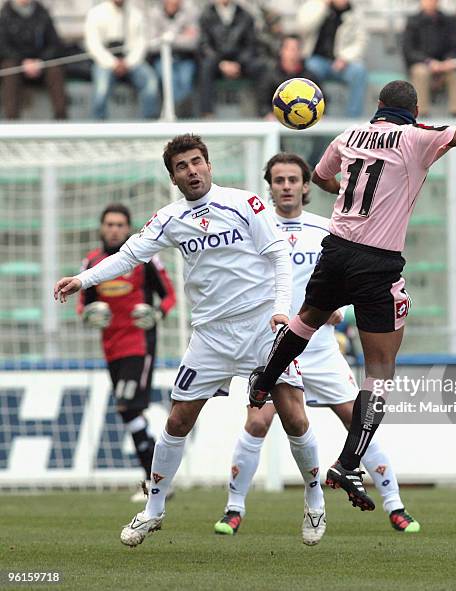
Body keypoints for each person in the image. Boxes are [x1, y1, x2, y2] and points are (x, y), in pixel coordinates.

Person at [247, 79, 456, 511]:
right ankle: (349, 461)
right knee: (380, 370)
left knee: (307, 317)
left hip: (335, 249)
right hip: (377, 262)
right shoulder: (416, 138)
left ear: (378, 105)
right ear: (416, 108)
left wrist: (348, 198)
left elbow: (319, 176)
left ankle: (263, 381)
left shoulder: (349, 136)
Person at [54, 134, 327, 547]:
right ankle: (153, 509)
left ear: (209, 165)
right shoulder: (169, 218)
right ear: (174, 177)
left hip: (260, 329)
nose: (192, 171)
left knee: (294, 416)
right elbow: (129, 255)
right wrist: (82, 279)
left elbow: (278, 256)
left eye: (197, 162)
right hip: (211, 336)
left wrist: (281, 310)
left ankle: (314, 498)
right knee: (178, 420)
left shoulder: (245, 204)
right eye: (182, 166)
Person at [214, 153, 420, 535]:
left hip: (321, 347)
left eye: (294, 179)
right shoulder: (256, 230)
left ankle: (396, 505)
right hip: (274, 344)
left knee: (357, 419)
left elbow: (352, 279)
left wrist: (335, 308)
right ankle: (233, 508)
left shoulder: (329, 229)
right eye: (279, 180)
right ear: (270, 186)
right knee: (258, 421)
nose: (287, 186)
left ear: (307, 186)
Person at [78, 204, 177, 502]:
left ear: (129, 227)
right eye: (109, 224)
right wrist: (88, 313)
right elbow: (83, 303)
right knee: (130, 412)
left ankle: (155, 482)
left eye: (120, 224)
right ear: (101, 228)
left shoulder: (145, 258)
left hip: (139, 343)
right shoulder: (92, 262)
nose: (114, 229)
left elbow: (170, 296)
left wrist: (156, 313)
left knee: (127, 407)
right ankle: (156, 479)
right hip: (111, 346)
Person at [84, 0, 159, 119]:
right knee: (101, 89)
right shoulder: (95, 13)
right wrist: (113, 63)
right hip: (105, 63)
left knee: (150, 82)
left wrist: (128, 62)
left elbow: (141, 44)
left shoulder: (136, 14)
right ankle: (98, 129)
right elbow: (93, 45)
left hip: (131, 62)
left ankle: (149, 125)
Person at [297, 0, 368, 118]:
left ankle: (353, 119)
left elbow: (361, 41)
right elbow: (304, 27)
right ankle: (315, 115)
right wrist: (322, 6)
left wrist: (345, 58)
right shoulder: (314, 5)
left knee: (359, 72)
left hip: (343, 62)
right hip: (316, 60)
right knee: (310, 69)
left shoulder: (355, 12)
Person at [197, 0, 269, 117]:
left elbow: (250, 44)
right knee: (205, 66)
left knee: (260, 67)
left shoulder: (245, 15)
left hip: (241, 61)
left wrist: (238, 64)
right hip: (216, 61)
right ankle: (207, 113)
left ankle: (264, 112)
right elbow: (204, 45)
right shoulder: (206, 15)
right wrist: (221, 64)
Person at [0, 0, 67, 120]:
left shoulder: (42, 14)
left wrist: (40, 61)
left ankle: (61, 119)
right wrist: (23, 62)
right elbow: (3, 46)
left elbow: (55, 44)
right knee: (10, 69)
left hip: (40, 64)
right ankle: (11, 121)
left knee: (55, 69)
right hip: (16, 64)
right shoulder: (4, 15)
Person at [401, 0, 456, 118]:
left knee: (455, 74)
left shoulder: (447, 21)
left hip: (443, 64)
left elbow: (455, 45)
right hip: (422, 63)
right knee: (421, 72)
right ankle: (421, 113)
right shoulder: (413, 21)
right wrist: (428, 62)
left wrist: (448, 60)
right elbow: (408, 50)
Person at [148, 0, 199, 115]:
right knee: (169, 83)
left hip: (185, 57)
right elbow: (151, 44)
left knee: (186, 84)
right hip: (161, 58)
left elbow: (193, 41)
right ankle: (176, 115)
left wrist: (170, 38)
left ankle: (179, 115)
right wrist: (181, 35)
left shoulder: (190, 12)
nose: (173, 2)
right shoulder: (154, 13)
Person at [257, 35, 320, 120]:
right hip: (277, 122)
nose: (293, 53)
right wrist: (268, 114)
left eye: (296, 49)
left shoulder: (309, 78)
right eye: (289, 49)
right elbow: (262, 102)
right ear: (281, 51)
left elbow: (320, 100)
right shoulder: (270, 76)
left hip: (304, 124)